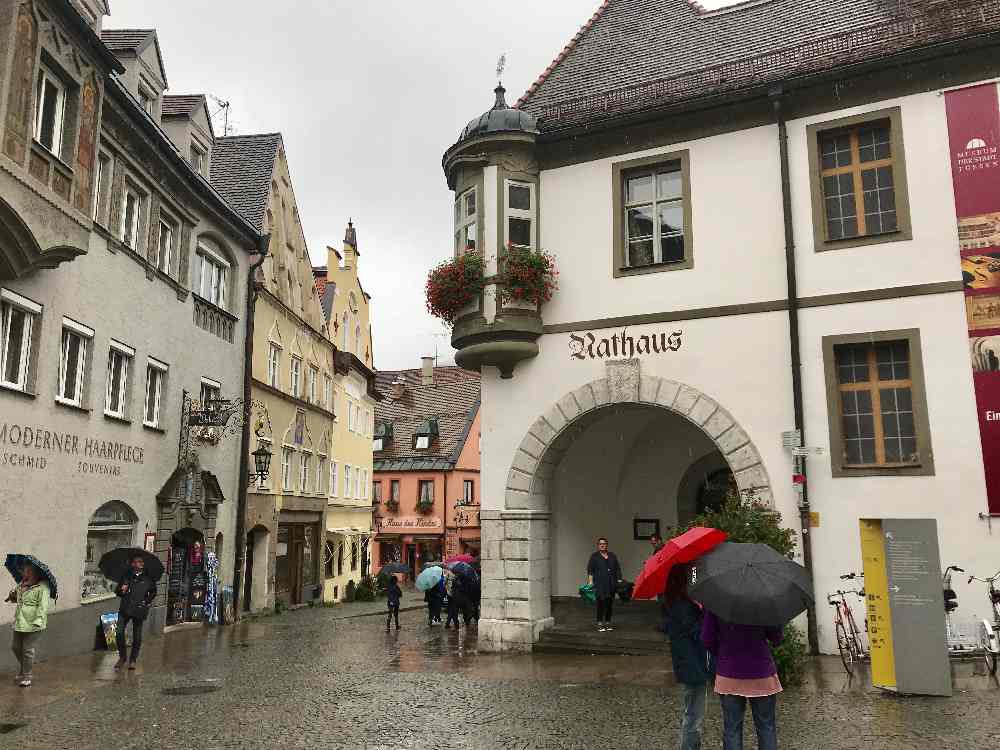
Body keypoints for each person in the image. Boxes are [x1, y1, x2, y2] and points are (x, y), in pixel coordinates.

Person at [701, 610, 783, 750]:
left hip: (729, 674)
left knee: (732, 728)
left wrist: (722, 655)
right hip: (761, 673)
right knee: (766, 727)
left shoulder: (717, 602)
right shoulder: (763, 602)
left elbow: (707, 638)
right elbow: (777, 638)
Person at [663, 565, 711, 750]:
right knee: (693, 715)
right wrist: (705, 614)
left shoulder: (677, 603)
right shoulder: (682, 606)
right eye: (691, 578)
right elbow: (698, 634)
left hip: (689, 665)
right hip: (692, 667)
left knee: (692, 712)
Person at [6, 562, 52, 687]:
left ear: (36, 573)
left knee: (27, 650)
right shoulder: (22, 584)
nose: (24, 574)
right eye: (24, 571)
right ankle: (23, 668)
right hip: (20, 621)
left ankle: (27, 675)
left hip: (33, 623)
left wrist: (38, 620)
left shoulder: (43, 587)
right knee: (16, 647)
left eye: (28, 572)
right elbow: (18, 600)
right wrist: (13, 595)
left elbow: (43, 606)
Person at [114, 554, 157, 670]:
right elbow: (117, 591)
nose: (139, 564)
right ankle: (122, 657)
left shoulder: (148, 577)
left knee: (137, 636)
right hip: (125, 608)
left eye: (141, 562)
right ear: (133, 564)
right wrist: (121, 590)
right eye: (137, 562)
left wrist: (146, 601)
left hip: (139, 609)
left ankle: (133, 660)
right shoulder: (126, 575)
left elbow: (153, 592)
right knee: (119, 632)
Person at [586, 537, 622, 633]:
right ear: (598, 546)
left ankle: (608, 622)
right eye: (600, 544)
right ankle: (599, 623)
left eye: (604, 544)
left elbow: (618, 568)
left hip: (611, 584)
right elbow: (590, 570)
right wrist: (590, 582)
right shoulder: (594, 557)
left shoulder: (612, 555)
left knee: (609, 604)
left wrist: (619, 579)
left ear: (607, 545)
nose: (602, 545)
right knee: (601, 604)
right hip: (600, 584)